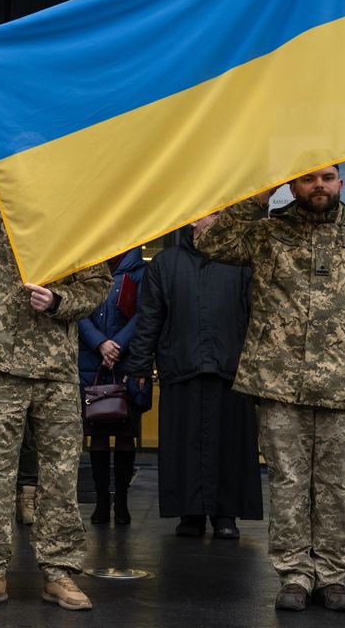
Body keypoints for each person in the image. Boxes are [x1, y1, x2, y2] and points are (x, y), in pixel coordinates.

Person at [0, 44, 111, 612]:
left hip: (55, 367)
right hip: (0, 362)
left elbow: (97, 287)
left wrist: (59, 300)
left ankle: (59, 572)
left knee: (59, 478)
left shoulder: (80, 219)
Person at [195, 166, 345, 612]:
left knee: (334, 486)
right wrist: (258, 194)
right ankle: (294, 575)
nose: (319, 186)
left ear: (341, 184)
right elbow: (211, 242)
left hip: (340, 385)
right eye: (308, 178)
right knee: (288, 482)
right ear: (292, 185)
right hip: (278, 384)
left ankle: (331, 576)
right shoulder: (267, 234)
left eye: (327, 177)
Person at [125, 215, 263, 539]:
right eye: (206, 214)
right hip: (180, 364)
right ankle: (189, 514)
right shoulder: (164, 262)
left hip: (231, 367)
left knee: (231, 446)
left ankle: (225, 516)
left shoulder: (241, 260)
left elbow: (258, 315)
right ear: (191, 222)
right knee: (181, 446)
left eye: (218, 214)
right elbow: (149, 318)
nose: (211, 220)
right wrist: (139, 367)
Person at [77, 248, 150, 526]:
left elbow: (145, 313)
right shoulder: (86, 266)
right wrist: (100, 342)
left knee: (125, 433)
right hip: (91, 362)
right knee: (95, 432)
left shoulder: (139, 271)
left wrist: (116, 345)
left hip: (127, 362)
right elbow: (78, 311)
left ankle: (121, 500)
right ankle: (100, 500)